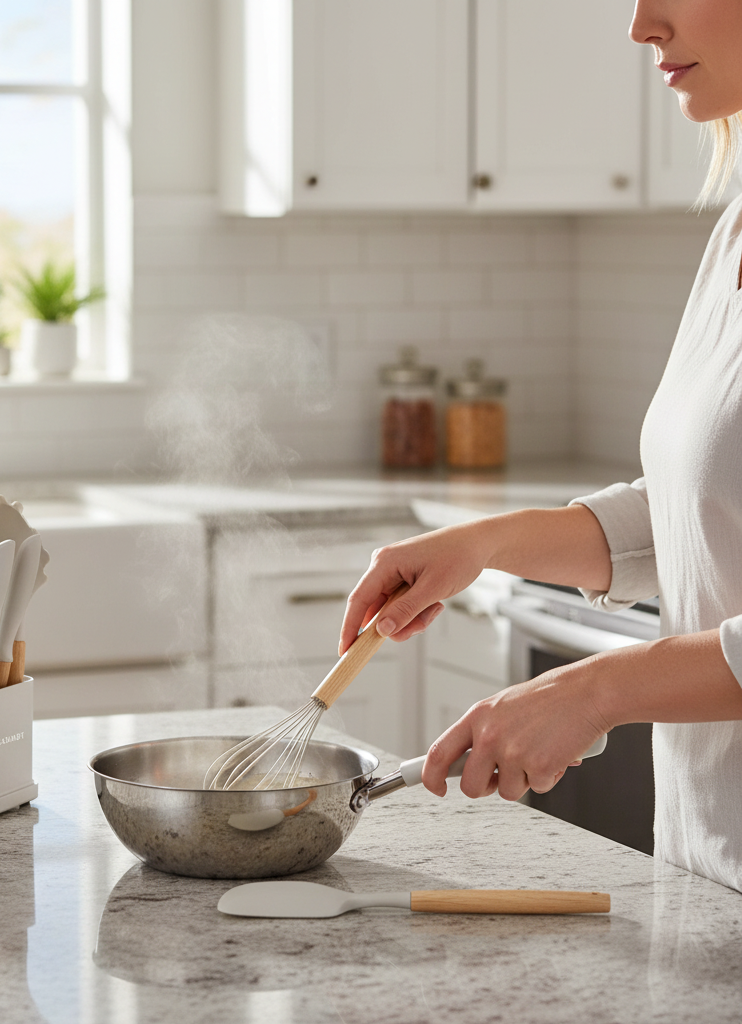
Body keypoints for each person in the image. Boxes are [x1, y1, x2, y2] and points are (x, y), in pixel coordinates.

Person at [339, 0, 742, 892]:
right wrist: (485, 544)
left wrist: (597, 689)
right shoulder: (734, 231)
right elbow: (703, 510)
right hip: (709, 871)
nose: (641, 25)